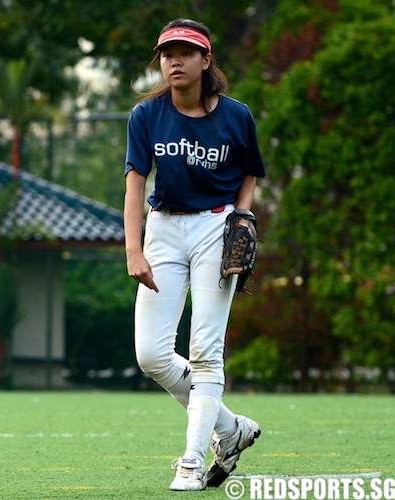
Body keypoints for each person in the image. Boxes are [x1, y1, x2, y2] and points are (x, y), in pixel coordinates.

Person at [123, 19, 265, 491]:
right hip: (163, 228)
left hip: (215, 227)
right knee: (150, 354)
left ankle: (191, 461)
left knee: (206, 350)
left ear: (206, 61)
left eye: (186, 52)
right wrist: (134, 247)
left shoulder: (236, 115)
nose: (174, 61)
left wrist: (240, 219)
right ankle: (232, 429)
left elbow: (250, 171)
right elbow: (136, 184)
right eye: (167, 54)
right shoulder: (147, 115)